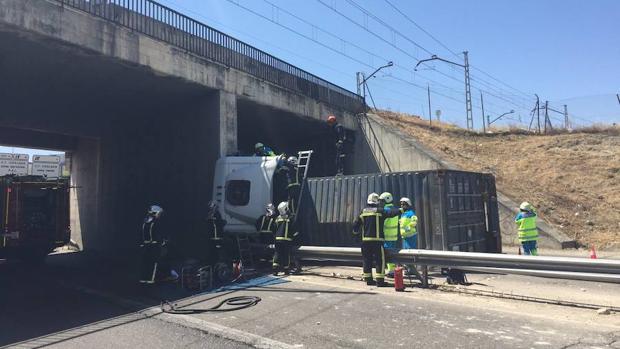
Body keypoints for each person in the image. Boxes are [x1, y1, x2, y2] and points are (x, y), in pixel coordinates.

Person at [353, 192, 401, 287]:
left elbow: (355, 224)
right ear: (376, 201)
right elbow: (391, 213)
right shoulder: (380, 211)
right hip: (377, 241)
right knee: (380, 260)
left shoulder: (363, 211)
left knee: (367, 260)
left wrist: (355, 232)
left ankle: (369, 280)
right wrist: (401, 210)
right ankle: (380, 281)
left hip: (365, 241)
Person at [139, 205, 177, 284]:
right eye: (158, 213)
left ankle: (146, 278)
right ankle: (151, 279)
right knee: (153, 262)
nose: (159, 215)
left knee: (147, 262)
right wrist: (163, 242)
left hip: (147, 245)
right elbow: (157, 234)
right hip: (154, 246)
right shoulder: (154, 223)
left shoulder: (146, 222)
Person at [273, 201, 299, 275]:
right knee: (286, 255)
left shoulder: (277, 218)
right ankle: (286, 270)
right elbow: (294, 230)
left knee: (277, 253)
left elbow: (274, 229)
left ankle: (275, 270)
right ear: (286, 209)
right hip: (286, 241)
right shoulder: (290, 218)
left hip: (277, 240)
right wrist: (295, 237)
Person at [379, 192, 399, 276]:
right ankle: (393, 270)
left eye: (382, 201)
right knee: (392, 253)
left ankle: (391, 271)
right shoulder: (395, 209)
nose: (380, 203)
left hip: (386, 236)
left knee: (387, 254)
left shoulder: (385, 210)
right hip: (394, 236)